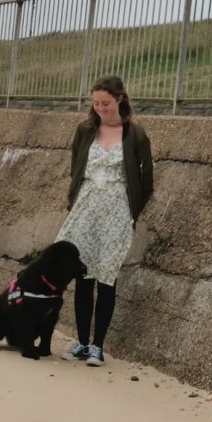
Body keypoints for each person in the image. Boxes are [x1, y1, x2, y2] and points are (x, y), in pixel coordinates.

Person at [56, 75, 153, 367]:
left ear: (120, 100)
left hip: (116, 213)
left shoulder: (135, 135)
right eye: (96, 103)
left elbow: (147, 181)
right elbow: (76, 167)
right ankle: (83, 342)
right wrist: (75, 202)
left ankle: (99, 346)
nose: (100, 108)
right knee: (82, 275)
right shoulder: (85, 130)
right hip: (85, 209)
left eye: (105, 103)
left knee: (107, 277)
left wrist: (130, 211)